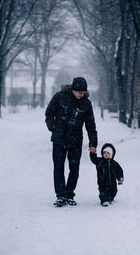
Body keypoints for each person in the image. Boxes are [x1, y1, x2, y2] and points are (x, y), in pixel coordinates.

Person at [45, 77, 97, 207]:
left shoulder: (86, 104)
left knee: (74, 169)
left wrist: (93, 143)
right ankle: (61, 195)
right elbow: (49, 114)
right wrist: (53, 128)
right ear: (73, 89)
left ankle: (69, 194)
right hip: (59, 138)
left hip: (76, 140)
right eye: (79, 91)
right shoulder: (60, 97)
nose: (81, 94)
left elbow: (91, 126)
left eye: (83, 92)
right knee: (58, 167)